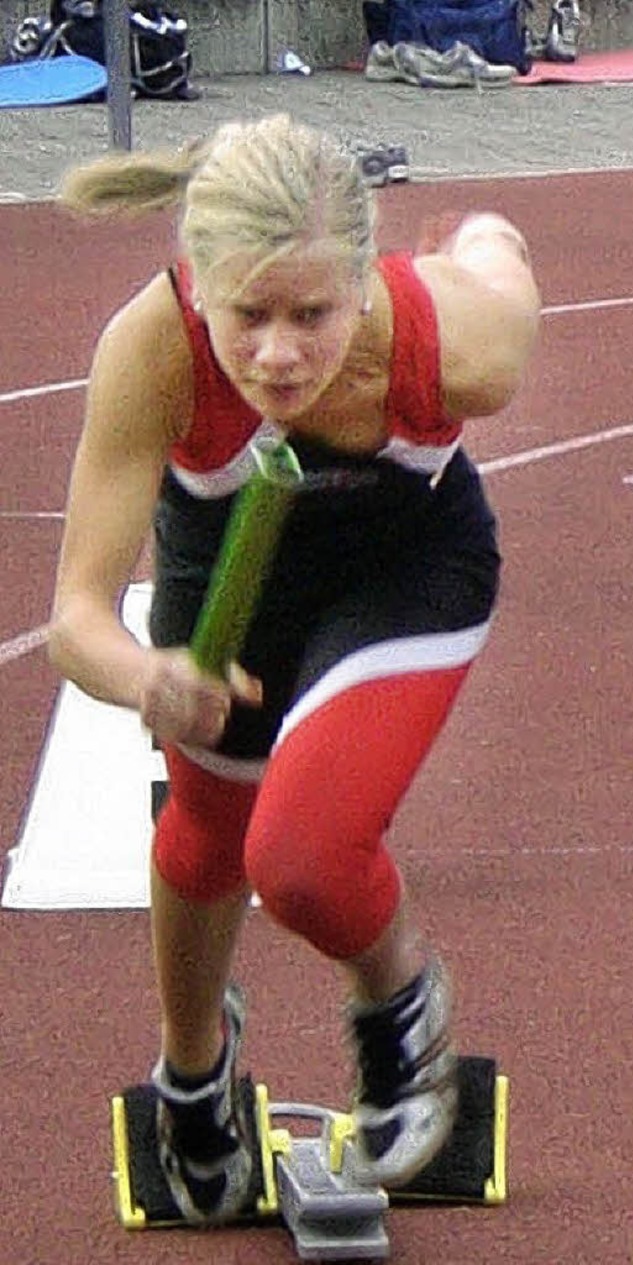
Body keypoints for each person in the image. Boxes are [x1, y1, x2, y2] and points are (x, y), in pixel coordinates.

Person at [50, 113, 540, 1226]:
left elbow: (504, 272)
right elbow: (77, 616)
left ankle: (398, 998)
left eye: (312, 313)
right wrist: (147, 676)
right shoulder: (151, 345)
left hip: (405, 565)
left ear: (365, 282)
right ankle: (194, 1065)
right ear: (196, 282)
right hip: (227, 568)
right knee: (203, 838)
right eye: (247, 315)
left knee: (303, 855)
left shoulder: (459, 345)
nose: (277, 353)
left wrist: (490, 238)